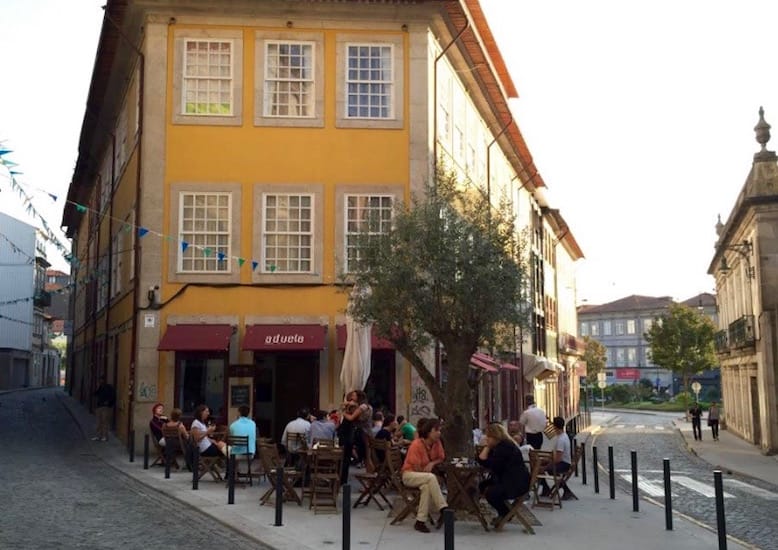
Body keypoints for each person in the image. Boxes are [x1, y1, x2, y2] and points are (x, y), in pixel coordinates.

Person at [477, 423, 531, 525]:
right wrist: (488, 448)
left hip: (515, 484)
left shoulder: (505, 447)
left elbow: (493, 465)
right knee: (483, 485)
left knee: (491, 492)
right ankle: (504, 512)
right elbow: (483, 461)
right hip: (508, 480)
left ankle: (505, 513)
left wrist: (487, 448)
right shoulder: (500, 446)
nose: (486, 439)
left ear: (495, 436)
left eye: (489, 436)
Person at [401, 418, 449, 533]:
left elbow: (441, 457)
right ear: (428, 432)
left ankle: (420, 521)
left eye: (440, 430)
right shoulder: (416, 444)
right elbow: (416, 467)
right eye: (436, 430)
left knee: (427, 488)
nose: (439, 433)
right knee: (431, 478)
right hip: (409, 475)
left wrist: (432, 463)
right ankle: (443, 509)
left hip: (424, 477)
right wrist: (428, 473)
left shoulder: (437, 443)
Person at [537, 416, 573, 500]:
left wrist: (545, 467)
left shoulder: (561, 440)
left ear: (554, 427)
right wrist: (546, 460)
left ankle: (565, 490)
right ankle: (546, 488)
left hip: (564, 464)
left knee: (545, 469)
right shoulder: (562, 436)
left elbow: (558, 459)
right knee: (539, 464)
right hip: (562, 462)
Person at [92, 376, 116, 442]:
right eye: (99, 380)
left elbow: (113, 396)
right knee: (98, 422)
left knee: (104, 422)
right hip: (99, 407)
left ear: (104, 380)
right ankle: (98, 436)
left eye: (101, 380)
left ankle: (105, 436)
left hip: (105, 407)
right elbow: (95, 394)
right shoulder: (100, 387)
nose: (100, 381)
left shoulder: (108, 388)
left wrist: (109, 403)